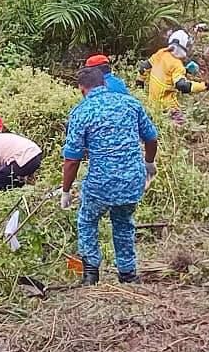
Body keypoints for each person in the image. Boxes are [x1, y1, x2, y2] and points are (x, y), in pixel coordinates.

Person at [60, 67, 159, 285]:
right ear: (104, 83)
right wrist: (149, 163)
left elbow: (72, 159)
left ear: (82, 89)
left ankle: (91, 274)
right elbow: (151, 138)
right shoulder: (130, 103)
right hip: (132, 180)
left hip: (100, 184)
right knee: (123, 222)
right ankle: (128, 274)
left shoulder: (82, 112)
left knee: (87, 221)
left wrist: (65, 191)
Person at [138, 30, 208, 118]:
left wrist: (139, 85)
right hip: (168, 108)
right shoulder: (177, 65)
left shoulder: (161, 53)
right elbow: (182, 85)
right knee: (182, 127)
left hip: (152, 104)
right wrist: (203, 86)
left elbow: (144, 67)